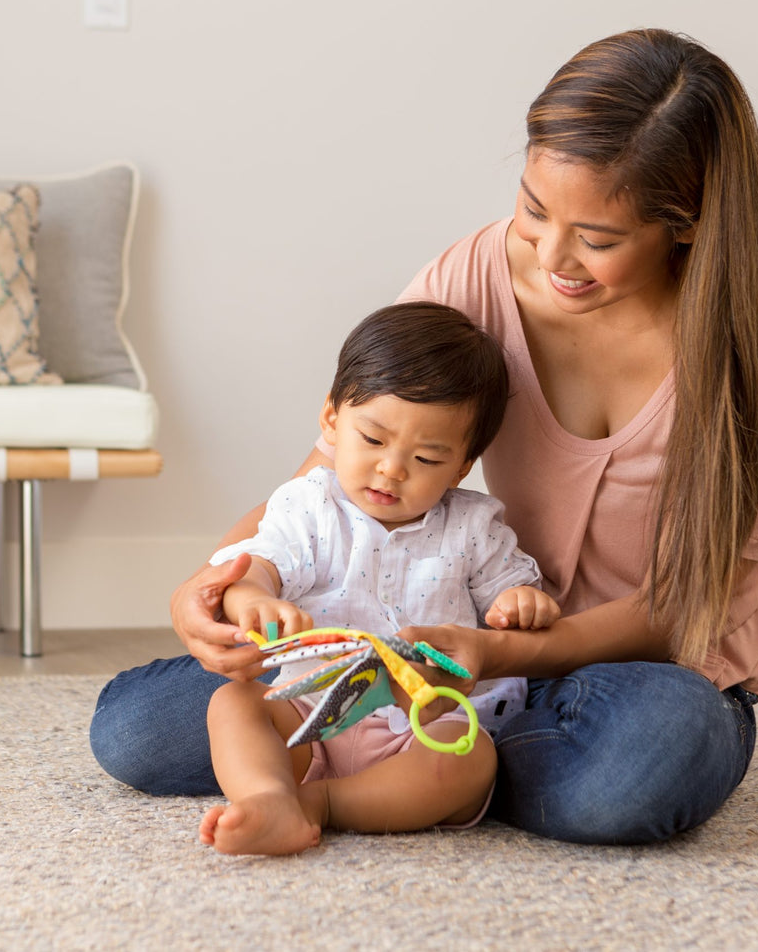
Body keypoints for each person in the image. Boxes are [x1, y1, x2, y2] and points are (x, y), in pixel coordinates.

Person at [90, 27, 758, 845]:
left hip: (639, 664)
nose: (553, 255)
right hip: (435, 652)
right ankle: (438, 770)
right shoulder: (473, 278)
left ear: (687, 223)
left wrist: (499, 654)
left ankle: (391, 773)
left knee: (649, 757)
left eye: (596, 239)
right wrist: (204, 588)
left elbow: (694, 600)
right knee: (132, 728)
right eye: (532, 209)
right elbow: (333, 470)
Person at [198, 301, 558, 855]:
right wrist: (254, 601)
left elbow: (509, 600)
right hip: (308, 717)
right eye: (373, 440)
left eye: (427, 458)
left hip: (418, 725)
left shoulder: (473, 524)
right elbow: (257, 567)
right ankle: (269, 793)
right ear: (331, 420)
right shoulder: (309, 506)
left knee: (471, 756)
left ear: (463, 465)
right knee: (233, 705)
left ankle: (319, 805)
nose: (392, 469)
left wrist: (522, 602)